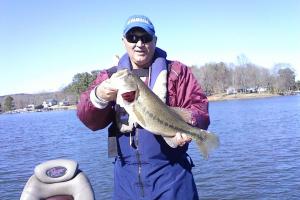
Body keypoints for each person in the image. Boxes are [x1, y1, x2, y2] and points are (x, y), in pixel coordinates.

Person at [77, 15, 210, 200]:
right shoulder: (111, 76)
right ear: (123, 41)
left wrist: (191, 123)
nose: (139, 43)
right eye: (132, 38)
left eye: (145, 38)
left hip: (172, 175)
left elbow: (200, 108)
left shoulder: (178, 72)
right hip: (125, 176)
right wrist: (99, 96)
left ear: (155, 41)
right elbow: (88, 119)